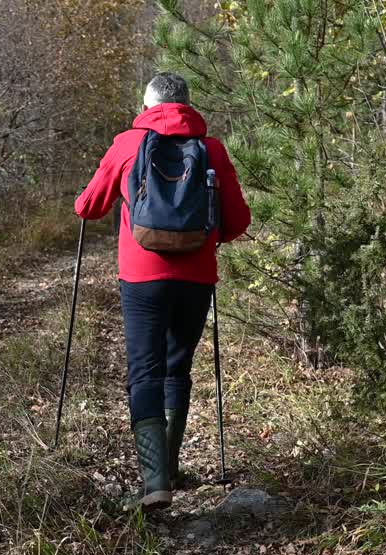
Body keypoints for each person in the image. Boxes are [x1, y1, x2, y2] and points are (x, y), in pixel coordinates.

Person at [75, 72, 251, 510]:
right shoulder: (211, 149)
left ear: (147, 105)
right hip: (196, 277)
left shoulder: (127, 144)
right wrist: (202, 239)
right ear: (188, 105)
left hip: (141, 277)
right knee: (177, 367)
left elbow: (88, 206)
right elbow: (239, 221)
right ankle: (169, 468)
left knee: (144, 370)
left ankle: (155, 483)